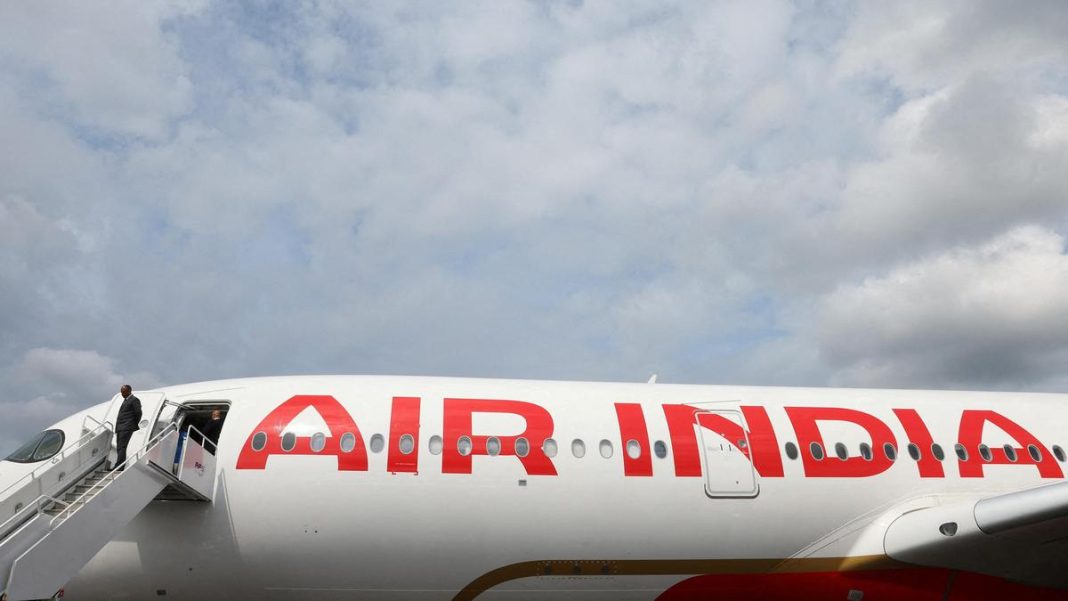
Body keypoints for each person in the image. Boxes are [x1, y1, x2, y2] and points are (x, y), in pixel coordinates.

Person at [114, 384, 142, 471]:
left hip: (127, 427)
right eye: (121, 392)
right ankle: (118, 465)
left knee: (122, 447)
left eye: (124, 392)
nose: (122, 394)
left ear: (129, 391)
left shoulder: (134, 400)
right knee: (119, 447)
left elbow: (138, 413)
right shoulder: (125, 400)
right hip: (121, 427)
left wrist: (132, 424)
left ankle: (119, 467)